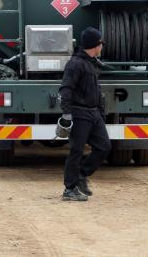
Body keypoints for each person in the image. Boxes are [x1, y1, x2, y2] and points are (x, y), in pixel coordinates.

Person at [58, 27, 111, 201]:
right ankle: (69, 189)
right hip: (79, 113)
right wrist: (66, 114)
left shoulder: (92, 63)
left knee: (104, 147)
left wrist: (100, 113)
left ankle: (82, 174)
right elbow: (66, 89)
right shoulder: (75, 64)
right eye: (100, 43)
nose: (102, 46)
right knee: (76, 151)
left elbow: (97, 90)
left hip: (94, 113)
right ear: (96, 45)